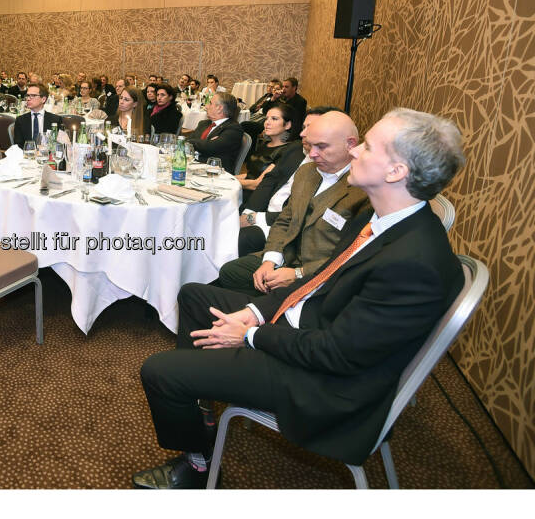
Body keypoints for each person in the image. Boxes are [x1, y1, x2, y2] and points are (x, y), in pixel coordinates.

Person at [133, 108, 466, 489]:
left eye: (369, 147)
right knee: (194, 296)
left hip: (321, 380)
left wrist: (249, 335)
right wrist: (255, 312)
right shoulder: (380, 221)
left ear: (396, 172)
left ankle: (196, 467)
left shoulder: (415, 262)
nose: (355, 152)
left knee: (160, 372)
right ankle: (201, 406)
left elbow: (336, 354)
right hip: (307, 328)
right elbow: (318, 284)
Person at [216, 111, 371, 295]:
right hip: (285, 256)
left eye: (321, 147)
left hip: (320, 276)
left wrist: (298, 274)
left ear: (350, 144)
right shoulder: (306, 172)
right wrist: (270, 259)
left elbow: (351, 253)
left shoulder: (364, 188)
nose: (312, 154)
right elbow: (285, 220)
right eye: (311, 146)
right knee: (229, 273)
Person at [236, 103, 299, 192]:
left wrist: (229, 182)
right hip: (244, 190)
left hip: (256, 198)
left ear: (287, 125)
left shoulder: (286, 151)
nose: (267, 123)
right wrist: (226, 178)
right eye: (266, 118)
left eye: (274, 119)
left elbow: (257, 184)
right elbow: (250, 175)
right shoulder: (265, 144)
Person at [185, 93, 245, 174]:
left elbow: (211, 147)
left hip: (215, 174)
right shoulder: (204, 124)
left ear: (219, 108)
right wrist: (205, 142)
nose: (206, 106)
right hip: (194, 168)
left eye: (210, 103)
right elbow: (188, 141)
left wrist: (193, 142)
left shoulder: (233, 128)